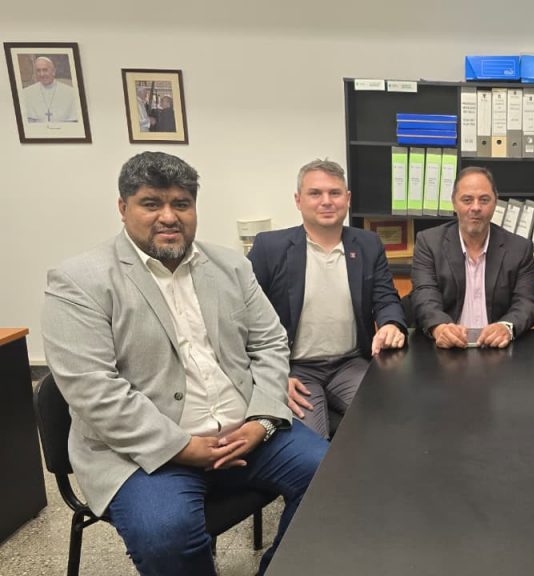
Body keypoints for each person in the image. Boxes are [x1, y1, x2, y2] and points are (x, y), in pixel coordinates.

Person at [41, 152, 327, 576]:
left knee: (332, 479)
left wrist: (262, 421)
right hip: (143, 452)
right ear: (123, 207)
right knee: (166, 535)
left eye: (181, 203)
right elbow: (92, 389)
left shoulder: (231, 267)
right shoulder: (79, 281)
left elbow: (270, 343)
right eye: (151, 203)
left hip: (247, 433)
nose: (168, 216)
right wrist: (181, 446)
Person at [248, 159, 407, 439]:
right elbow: (245, 318)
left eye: (335, 193)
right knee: (310, 447)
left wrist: (391, 324)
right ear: (298, 200)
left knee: (393, 423)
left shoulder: (368, 244)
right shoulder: (269, 247)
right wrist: (273, 376)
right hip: (295, 368)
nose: (326, 201)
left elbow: (386, 298)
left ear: (347, 199)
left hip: (351, 363)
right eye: (315, 193)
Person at [411, 166, 534, 349]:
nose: (476, 207)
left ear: (495, 203)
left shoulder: (519, 248)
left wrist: (506, 327)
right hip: (447, 349)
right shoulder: (429, 243)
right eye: (467, 200)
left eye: (484, 200)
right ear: (454, 202)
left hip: (498, 349)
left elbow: (527, 303)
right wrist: (440, 328)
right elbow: (424, 295)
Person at [20, 56, 78, 123]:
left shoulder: (70, 93)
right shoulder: (26, 93)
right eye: (38, 71)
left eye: (45, 70)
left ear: (53, 71)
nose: (42, 74)